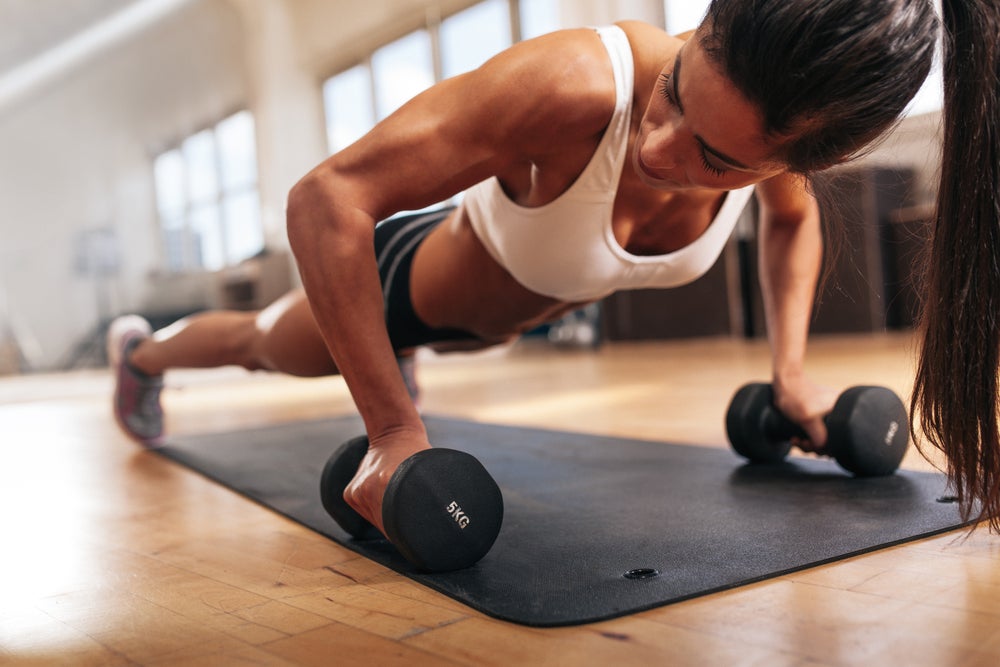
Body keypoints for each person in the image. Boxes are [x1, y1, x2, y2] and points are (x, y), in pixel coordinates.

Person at [109, 0, 1000, 535]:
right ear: (700, 31)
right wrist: (390, 431)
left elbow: (791, 225)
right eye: (676, 93)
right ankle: (142, 355)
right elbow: (324, 199)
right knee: (268, 344)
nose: (658, 147)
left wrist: (791, 377)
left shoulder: (783, 154)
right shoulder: (572, 83)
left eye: (718, 161)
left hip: (503, 317)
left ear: (791, 160)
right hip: (414, 283)